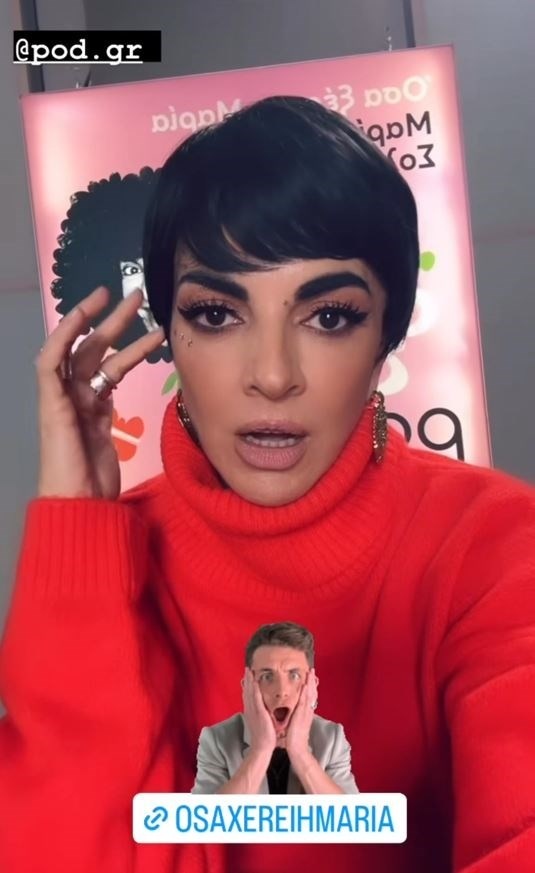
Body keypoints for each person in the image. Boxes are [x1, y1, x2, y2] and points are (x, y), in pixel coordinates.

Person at [0, 95, 534, 873]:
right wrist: (76, 537)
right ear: (171, 336)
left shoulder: (492, 544)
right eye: (218, 313)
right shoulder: (114, 566)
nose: (273, 375)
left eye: (329, 316)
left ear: (386, 339)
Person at [191, 622, 359, 794]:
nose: (281, 691)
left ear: (312, 687)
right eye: (267, 676)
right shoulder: (216, 741)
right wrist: (261, 750)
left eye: (294, 675)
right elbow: (206, 812)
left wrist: (300, 752)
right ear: (247, 688)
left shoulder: (332, 739)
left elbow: (351, 812)